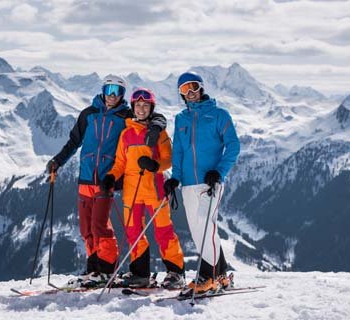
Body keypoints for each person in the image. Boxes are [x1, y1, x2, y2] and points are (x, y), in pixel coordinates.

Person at [46, 75, 167, 287]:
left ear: (122, 95)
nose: (112, 95)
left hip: (106, 180)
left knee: (100, 226)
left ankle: (106, 269)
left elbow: (153, 117)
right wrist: (58, 161)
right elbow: (74, 142)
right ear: (103, 90)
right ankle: (93, 269)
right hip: (85, 177)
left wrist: (156, 126)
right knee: (86, 228)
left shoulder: (126, 115)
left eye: (118, 91)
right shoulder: (89, 114)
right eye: (109, 89)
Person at [164, 72, 240, 294]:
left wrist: (219, 171)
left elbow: (233, 146)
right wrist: (175, 177)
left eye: (193, 87)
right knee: (199, 231)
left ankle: (208, 276)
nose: (190, 92)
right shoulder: (181, 119)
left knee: (206, 227)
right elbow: (178, 150)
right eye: (184, 89)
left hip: (210, 183)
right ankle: (222, 275)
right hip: (188, 183)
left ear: (201, 88)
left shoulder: (219, 115)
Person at [101, 88, 185, 289]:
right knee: (133, 232)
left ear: (151, 108)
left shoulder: (159, 133)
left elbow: (168, 159)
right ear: (133, 107)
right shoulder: (126, 134)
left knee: (163, 231)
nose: (141, 109)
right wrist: (112, 176)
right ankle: (140, 274)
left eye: (145, 105)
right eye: (137, 105)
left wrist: (156, 165)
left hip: (154, 190)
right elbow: (120, 162)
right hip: (131, 192)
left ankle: (175, 272)